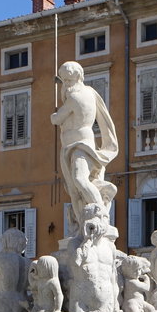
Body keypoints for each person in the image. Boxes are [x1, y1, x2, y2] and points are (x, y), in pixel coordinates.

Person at [50, 61, 119, 237]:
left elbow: (57, 119)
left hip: (79, 145)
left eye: (68, 81)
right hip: (75, 145)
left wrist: (55, 113)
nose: (65, 85)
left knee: (79, 180)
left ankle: (100, 215)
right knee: (73, 189)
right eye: (64, 81)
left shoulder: (75, 97)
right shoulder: (91, 93)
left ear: (78, 77)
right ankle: (81, 224)